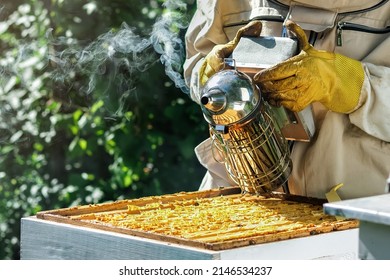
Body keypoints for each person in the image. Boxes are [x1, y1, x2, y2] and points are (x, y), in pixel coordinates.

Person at [183, 0, 390, 200]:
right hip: (237, 191)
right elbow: (196, 61)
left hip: (352, 205)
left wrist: (349, 83)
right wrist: (210, 74)